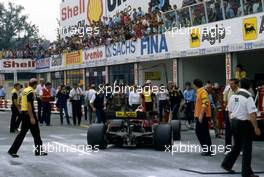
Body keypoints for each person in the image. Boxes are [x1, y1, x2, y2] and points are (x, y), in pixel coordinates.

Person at [221, 78, 261, 177]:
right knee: (247, 149)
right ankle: (246, 173)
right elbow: (252, 114)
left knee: (237, 146)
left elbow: (229, 111)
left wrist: (232, 122)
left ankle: (226, 164)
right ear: (250, 86)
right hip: (244, 124)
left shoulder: (233, 96)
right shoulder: (248, 97)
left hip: (234, 122)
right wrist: (256, 127)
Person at [8, 78, 47, 158]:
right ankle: (39, 151)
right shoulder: (31, 91)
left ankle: (12, 150)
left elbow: (19, 101)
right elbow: (29, 104)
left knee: (22, 134)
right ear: (35, 84)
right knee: (36, 134)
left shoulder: (24, 91)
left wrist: (20, 109)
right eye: (36, 84)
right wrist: (32, 117)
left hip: (24, 113)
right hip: (29, 114)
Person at [193, 79, 213, 156]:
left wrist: (201, 115)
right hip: (200, 115)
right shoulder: (199, 92)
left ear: (195, 85)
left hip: (202, 115)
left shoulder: (202, 92)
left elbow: (205, 103)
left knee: (200, 132)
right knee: (204, 132)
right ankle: (208, 150)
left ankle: (207, 150)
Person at [223, 78, 240, 152]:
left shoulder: (240, 92)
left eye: (232, 84)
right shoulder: (228, 90)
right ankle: (227, 148)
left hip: (237, 113)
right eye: (230, 84)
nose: (230, 85)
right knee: (228, 131)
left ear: (237, 84)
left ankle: (239, 148)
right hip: (228, 112)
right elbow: (225, 101)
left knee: (238, 131)